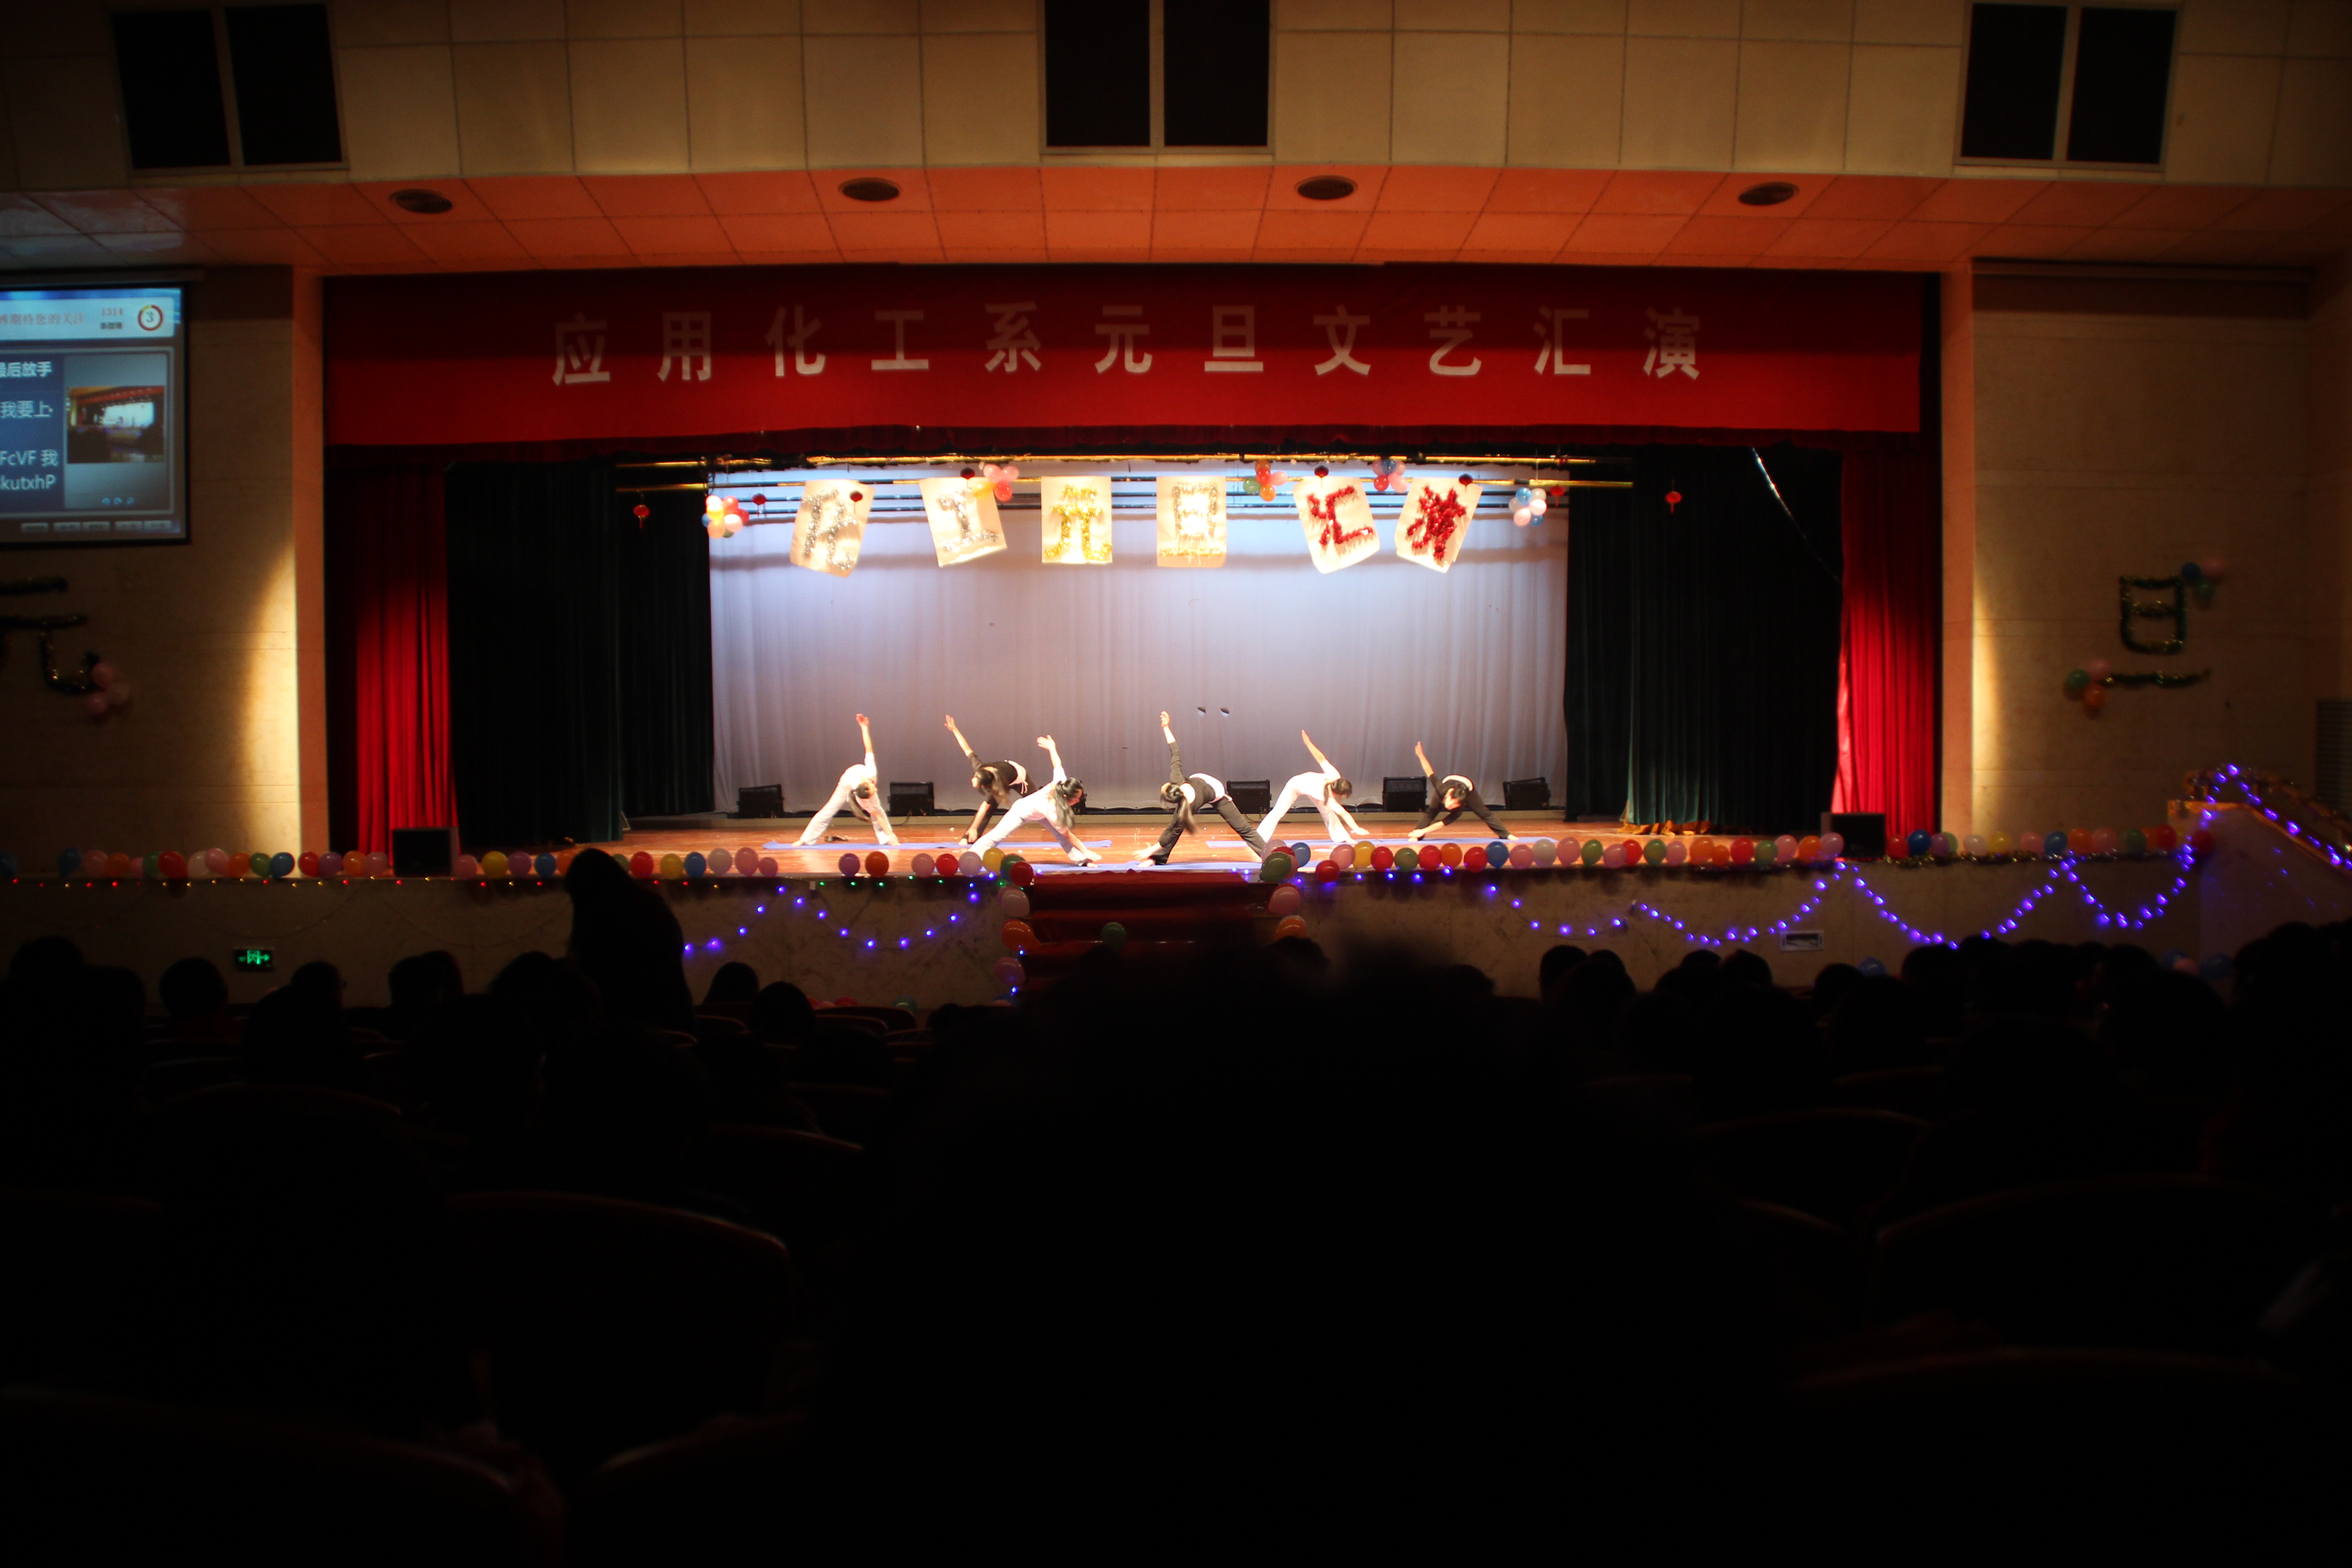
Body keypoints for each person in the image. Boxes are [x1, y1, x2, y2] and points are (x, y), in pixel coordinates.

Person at [1135, 710, 1270, 866]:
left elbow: (1174, 751)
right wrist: (1151, 853)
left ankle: (1269, 855)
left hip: (1218, 792)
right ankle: (1157, 859)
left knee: (1244, 828)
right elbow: (1171, 832)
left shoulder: (1177, 781)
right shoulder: (1183, 801)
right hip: (1208, 790)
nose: (1162, 786)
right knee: (1178, 828)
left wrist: (1166, 727)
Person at [970, 736, 1100, 865]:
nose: (1078, 801)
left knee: (1061, 834)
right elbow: (1068, 835)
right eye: (1076, 799)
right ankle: (972, 855)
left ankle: (1082, 861)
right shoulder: (1051, 809)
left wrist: (1052, 748)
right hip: (1020, 812)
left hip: (1040, 813)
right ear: (1066, 797)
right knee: (997, 836)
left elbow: (1057, 764)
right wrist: (1086, 851)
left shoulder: (1061, 782)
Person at [796, 713, 900, 847]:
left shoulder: (871, 772)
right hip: (845, 784)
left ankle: (886, 839)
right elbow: (870, 805)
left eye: (873, 790)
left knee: (878, 810)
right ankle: (805, 839)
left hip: (856, 780)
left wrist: (864, 728)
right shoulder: (862, 799)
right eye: (873, 791)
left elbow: (868, 748)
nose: (876, 790)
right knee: (828, 810)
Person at [1257, 729, 1367, 848]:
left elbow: (1321, 758)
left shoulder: (1335, 777)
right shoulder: (1327, 794)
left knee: (1328, 813)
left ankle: (1342, 837)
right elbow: (1344, 813)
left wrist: (1308, 743)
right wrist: (1357, 828)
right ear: (1338, 793)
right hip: (1295, 786)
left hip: (1312, 790)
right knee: (1278, 812)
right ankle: (1258, 839)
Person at [946, 713, 1031, 845]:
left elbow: (983, 807)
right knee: (990, 809)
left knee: (1037, 801)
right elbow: (966, 748)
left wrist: (974, 827)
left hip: (1019, 778)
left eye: (977, 784)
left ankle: (1060, 824)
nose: (973, 782)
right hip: (1003, 779)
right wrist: (954, 729)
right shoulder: (980, 768)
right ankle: (969, 837)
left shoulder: (996, 784)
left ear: (984, 783)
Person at [1406, 742, 1511, 843]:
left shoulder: (1459, 809)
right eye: (1452, 802)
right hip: (1450, 783)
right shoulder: (1442, 789)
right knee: (1431, 812)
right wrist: (1421, 755)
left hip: (1468, 788)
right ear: (1449, 796)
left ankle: (1506, 835)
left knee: (1484, 813)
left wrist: (1424, 831)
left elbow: (1442, 823)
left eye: (1456, 805)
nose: (1452, 807)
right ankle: (1417, 836)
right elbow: (1430, 772)